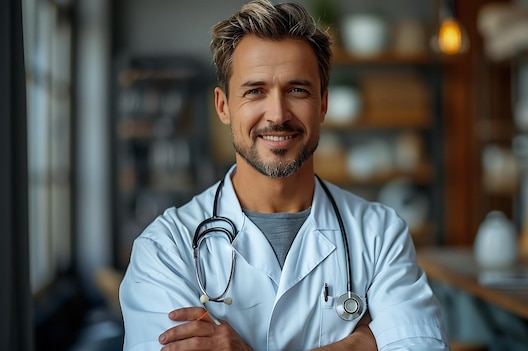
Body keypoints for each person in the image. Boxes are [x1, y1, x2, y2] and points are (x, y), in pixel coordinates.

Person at [119, 0, 449, 350]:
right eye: (255, 91)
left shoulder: (380, 234)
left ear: (322, 104)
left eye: (297, 90)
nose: (277, 114)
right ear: (223, 106)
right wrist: (362, 342)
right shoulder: (165, 248)